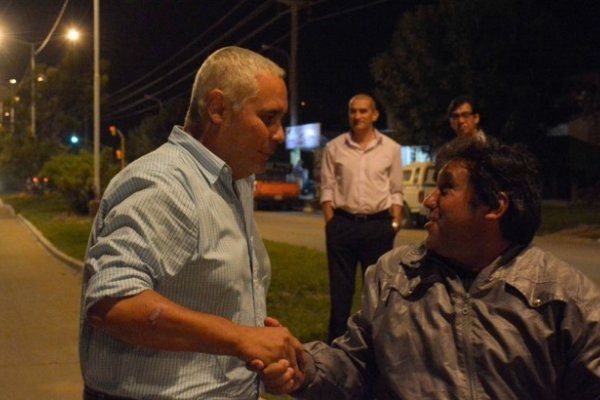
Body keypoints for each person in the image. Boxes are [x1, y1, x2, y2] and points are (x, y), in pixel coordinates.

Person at [256, 137, 600, 398]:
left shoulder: (564, 298)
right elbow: (356, 365)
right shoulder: (395, 275)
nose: (428, 201)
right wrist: (306, 367)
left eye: (445, 189)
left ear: (495, 206)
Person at [79, 46, 304, 400]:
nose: (279, 135)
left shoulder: (235, 182)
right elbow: (112, 304)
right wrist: (241, 338)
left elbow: (215, 302)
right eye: (269, 117)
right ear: (217, 109)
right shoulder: (166, 183)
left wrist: (260, 356)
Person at [320, 93, 403, 343]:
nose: (357, 116)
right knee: (340, 292)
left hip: (378, 226)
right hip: (342, 225)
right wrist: (331, 223)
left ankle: (375, 344)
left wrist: (394, 224)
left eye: (363, 111)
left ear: (375, 115)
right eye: (353, 111)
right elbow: (327, 188)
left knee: (377, 292)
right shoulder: (334, 148)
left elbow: (396, 190)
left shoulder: (391, 149)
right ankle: (336, 347)